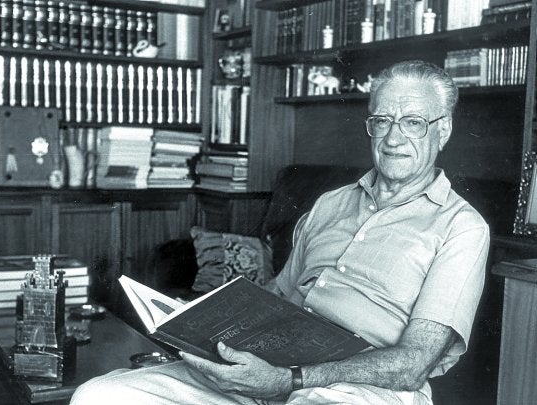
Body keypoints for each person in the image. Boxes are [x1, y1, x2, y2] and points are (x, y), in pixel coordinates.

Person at [70, 60, 489, 405]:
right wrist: (200, 322)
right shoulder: (331, 203)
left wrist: (290, 381)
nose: (394, 137)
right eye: (382, 120)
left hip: (362, 387)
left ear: (443, 130)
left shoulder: (462, 228)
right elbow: (277, 295)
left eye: (413, 122)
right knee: (100, 395)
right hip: (269, 366)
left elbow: (414, 364)